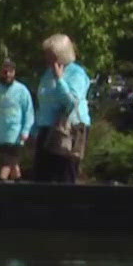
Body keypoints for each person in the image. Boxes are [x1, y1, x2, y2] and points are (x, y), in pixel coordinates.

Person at [33, 34, 91, 184]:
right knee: (41, 176)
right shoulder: (47, 73)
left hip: (69, 129)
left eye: (50, 54)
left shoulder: (76, 73)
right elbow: (43, 101)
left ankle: (66, 206)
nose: (46, 57)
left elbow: (72, 102)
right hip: (47, 128)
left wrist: (60, 80)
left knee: (64, 175)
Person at [0, 58, 34, 182]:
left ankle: (2, 181)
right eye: (5, 72)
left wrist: (26, 130)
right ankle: (18, 186)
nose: (7, 75)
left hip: (16, 134)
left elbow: (29, 112)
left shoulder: (22, 90)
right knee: (13, 164)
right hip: (1, 134)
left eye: (10, 72)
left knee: (6, 162)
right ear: (1, 73)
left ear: (14, 72)